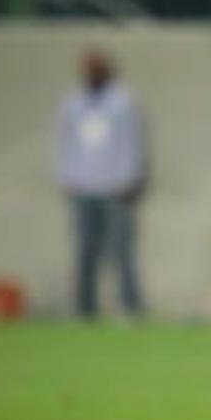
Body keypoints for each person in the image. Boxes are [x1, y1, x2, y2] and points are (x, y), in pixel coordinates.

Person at [55, 50, 148, 320]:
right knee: (84, 249)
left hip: (116, 188)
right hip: (84, 188)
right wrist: (66, 177)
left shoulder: (122, 103)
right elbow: (65, 144)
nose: (92, 74)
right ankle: (85, 309)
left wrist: (130, 179)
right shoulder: (73, 104)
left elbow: (132, 143)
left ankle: (130, 307)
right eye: (88, 69)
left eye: (97, 69)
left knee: (121, 250)